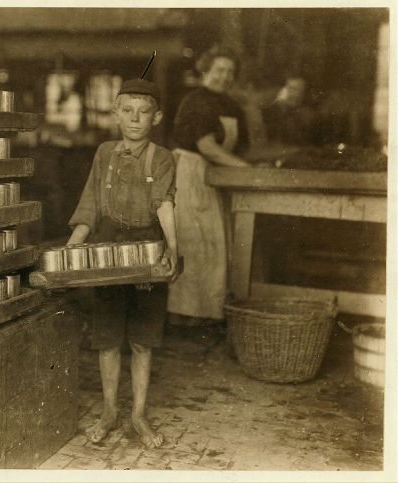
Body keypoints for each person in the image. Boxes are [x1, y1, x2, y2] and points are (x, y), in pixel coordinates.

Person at [67, 79, 179, 449]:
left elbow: (164, 204)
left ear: (156, 117)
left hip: (147, 253)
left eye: (144, 111)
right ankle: (110, 412)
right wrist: (72, 248)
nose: (135, 118)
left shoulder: (162, 158)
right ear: (115, 114)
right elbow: (90, 204)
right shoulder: (104, 153)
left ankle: (138, 415)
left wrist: (172, 251)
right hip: (108, 253)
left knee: (143, 341)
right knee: (108, 339)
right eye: (127, 110)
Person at [167, 45, 251, 325]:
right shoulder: (196, 100)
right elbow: (207, 147)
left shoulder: (231, 105)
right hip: (192, 174)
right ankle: (183, 315)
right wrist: (245, 170)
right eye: (219, 70)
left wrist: (244, 165)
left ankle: (206, 314)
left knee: (214, 245)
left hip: (219, 175)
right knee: (194, 243)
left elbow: (241, 147)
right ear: (206, 71)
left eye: (230, 72)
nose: (224, 76)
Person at [262, 74, 318, 146]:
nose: (290, 93)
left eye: (296, 89)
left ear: (304, 92)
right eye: (289, 88)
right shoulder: (274, 110)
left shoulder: (309, 115)